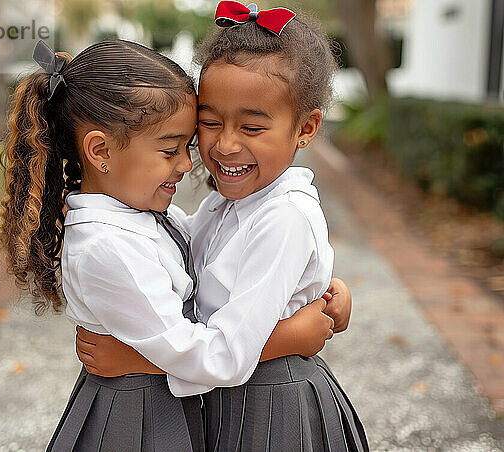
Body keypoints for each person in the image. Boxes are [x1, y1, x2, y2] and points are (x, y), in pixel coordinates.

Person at [0, 37, 349, 452]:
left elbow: (231, 263)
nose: (191, 161)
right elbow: (211, 324)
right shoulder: (114, 241)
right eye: (173, 147)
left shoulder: (163, 214)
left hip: (260, 397)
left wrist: (320, 284)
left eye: (186, 145)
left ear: (305, 128)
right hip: (146, 412)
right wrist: (293, 332)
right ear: (100, 150)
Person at [76, 2, 369, 451]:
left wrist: (136, 358)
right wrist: (326, 287)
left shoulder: (283, 215)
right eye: (210, 123)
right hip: (229, 395)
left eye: (251, 127)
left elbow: (231, 351)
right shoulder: (228, 203)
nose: (225, 144)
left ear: (306, 128)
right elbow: (185, 256)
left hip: (270, 400)